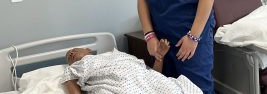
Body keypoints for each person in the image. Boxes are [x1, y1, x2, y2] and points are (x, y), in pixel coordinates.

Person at [61, 39, 202, 94]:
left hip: (148, 82)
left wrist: (160, 56)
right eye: (69, 57)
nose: (71, 53)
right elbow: (70, 82)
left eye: (74, 50)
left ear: (88, 50)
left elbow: (152, 74)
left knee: (174, 90)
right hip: (119, 87)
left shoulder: (120, 55)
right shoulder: (77, 66)